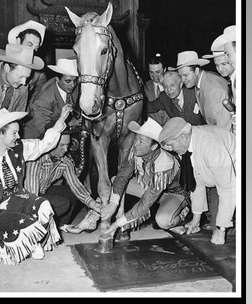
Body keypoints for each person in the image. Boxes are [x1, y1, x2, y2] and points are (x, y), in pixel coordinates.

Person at [0, 104, 73, 264]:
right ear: (0, 135)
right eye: (14, 133)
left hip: (18, 199)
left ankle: (32, 240)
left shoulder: (18, 149)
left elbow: (43, 145)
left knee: (44, 205)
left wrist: (60, 122)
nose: (18, 136)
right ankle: (0, 238)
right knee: (28, 225)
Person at [95, 118, 190, 237]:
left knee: (163, 221)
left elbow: (146, 201)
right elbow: (122, 176)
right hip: (149, 188)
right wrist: (113, 204)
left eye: (141, 141)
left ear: (154, 146)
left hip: (173, 195)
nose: (135, 144)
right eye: (136, 139)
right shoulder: (137, 151)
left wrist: (117, 224)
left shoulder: (165, 162)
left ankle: (182, 215)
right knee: (115, 180)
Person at [158, 117, 236, 245]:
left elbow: (228, 188)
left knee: (226, 230)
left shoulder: (210, 144)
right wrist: (195, 220)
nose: (171, 150)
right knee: (216, 222)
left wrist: (221, 229)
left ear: (182, 138)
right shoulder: (188, 143)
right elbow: (196, 183)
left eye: (171, 145)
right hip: (220, 179)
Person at [24, 131, 102, 226]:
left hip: (43, 192)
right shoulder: (35, 159)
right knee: (62, 204)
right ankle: (40, 227)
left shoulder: (65, 162)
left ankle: (60, 226)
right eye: (61, 145)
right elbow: (31, 194)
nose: (65, 149)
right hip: (26, 197)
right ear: (51, 144)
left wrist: (93, 204)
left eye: (68, 144)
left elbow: (76, 186)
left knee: (71, 193)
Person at [0, 44, 44, 143]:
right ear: (7, 68)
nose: (24, 82)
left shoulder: (22, 87)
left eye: (27, 77)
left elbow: (16, 121)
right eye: (21, 76)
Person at [23, 58, 82, 139]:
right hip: (37, 138)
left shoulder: (72, 87)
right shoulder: (43, 99)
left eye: (75, 81)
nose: (73, 85)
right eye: (68, 81)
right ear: (57, 79)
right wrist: (68, 123)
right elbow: (44, 129)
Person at [175, 50, 232, 132]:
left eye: (185, 75)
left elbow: (224, 130)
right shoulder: (200, 81)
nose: (182, 80)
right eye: (180, 76)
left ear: (197, 71)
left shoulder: (214, 90)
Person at [8, 20, 48, 95]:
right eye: (30, 45)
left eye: (36, 47)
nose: (33, 51)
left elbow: (40, 95)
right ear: (18, 41)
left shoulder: (39, 74)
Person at [144, 54, 170, 125]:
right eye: (151, 72)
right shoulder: (144, 87)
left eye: (157, 72)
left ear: (164, 70)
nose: (154, 76)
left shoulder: (172, 85)